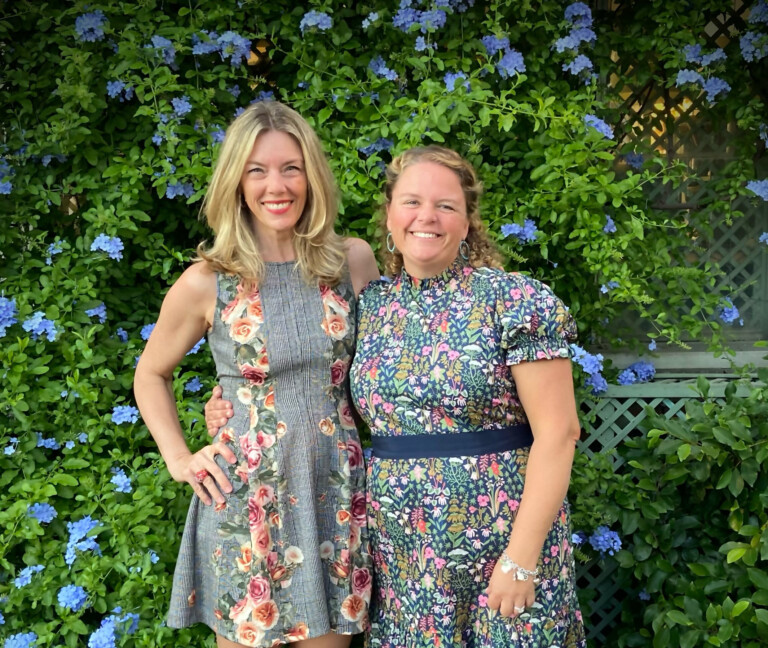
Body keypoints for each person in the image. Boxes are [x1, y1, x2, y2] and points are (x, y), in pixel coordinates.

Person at [207, 145, 586, 647]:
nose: (426, 217)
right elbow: (310, 373)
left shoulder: (515, 301)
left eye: (446, 206)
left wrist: (522, 556)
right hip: (405, 558)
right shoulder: (373, 305)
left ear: (468, 221)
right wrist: (230, 399)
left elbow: (560, 434)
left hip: (503, 544)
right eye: (411, 202)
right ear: (389, 215)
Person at [134, 100, 379, 648]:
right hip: (246, 503)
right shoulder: (209, 280)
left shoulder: (352, 262)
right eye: (258, 170)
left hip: (333, 494)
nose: (278, 185)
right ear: (237, 182)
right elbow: (150, 373)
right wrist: (180, 457)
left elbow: (384, 370)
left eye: (291, 167)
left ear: (311, 175)